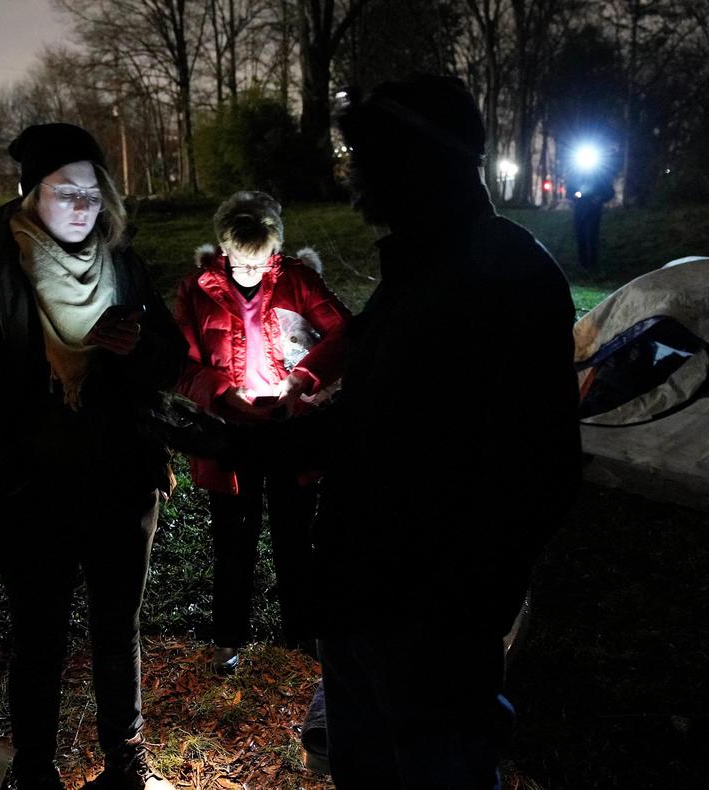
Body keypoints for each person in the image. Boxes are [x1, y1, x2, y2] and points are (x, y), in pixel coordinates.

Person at [222, 75, 581, 788]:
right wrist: (271, 440)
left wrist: (468, 604)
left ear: (417, 158)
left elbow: (542, 468)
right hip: (361, 599)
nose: (351, 174)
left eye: (365, 155)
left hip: (428, 623)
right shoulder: (417, 271)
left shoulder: (504, 275)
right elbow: (380, 422)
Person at [0, 123, 186, 790]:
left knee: (117, 626)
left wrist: (134, 350)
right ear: (30, 194)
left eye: (93, 192)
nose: (82, 206)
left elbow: (171, 360)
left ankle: (126, 760)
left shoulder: (122, 261)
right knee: (38, 632)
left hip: (120, 479)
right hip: (28, 489)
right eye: (65, 191)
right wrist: (3, 463)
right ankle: (35, 771)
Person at [173, 191, 351, 673]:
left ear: (276, 249)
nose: (250, 273)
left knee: (296, 535)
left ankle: (303, 630)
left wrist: (302, 378)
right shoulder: (196, 290)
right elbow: (180, 363)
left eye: (262, 261)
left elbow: (346, 332)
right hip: (230, 434)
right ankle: (228, 637)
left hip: (290, 428)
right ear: (223, 248)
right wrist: (219, 391)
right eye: (241, 263)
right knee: (232, 536)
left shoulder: (296, 279)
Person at [570, 143, 617, 272]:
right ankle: (583, 263)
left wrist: (599, 199)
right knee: (581, 236)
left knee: (592, 236)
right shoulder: (576, 174)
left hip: (594, 210)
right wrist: (575, 195)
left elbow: (610, 191)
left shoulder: (600, 176)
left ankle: (592, 264)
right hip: (580, 209)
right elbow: (570, 190)